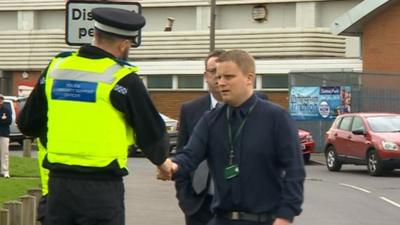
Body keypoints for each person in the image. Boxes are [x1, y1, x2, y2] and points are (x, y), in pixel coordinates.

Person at [18, 7, 173, 225]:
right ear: (124, 44)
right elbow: (152, 134)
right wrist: (162, 163)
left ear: (95, 35)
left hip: (59, 187)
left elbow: (26, 124)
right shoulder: (123, 78)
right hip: (101, 189)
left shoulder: (56, 68)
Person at [159, 50, 305, 225]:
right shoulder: (210, 120)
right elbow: (190, 155)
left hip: (264, 220)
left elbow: (294, 170)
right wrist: (172, 166)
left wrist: (286, 216)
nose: (221, 83)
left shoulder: (276, 118)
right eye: (218, 77)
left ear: (249, 78)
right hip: (222, 219)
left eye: (228, 77)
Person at [175, 50, 225, 225]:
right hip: (200, 204)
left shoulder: (249, 106)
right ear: (205, 75)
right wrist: (184, 196)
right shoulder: (190, 110)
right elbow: (182, 152)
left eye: (223, 72)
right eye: (213, 71)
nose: (218, 77)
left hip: (238, 206)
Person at [0, 94, 11, 178]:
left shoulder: (6, 110)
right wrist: (2, 119)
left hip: (4, 134)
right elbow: (4, 120)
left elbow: (8, 121)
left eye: (1, 99)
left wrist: (3, 120)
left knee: (4, 153)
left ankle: (5, 171)